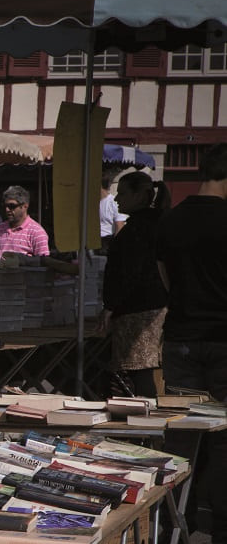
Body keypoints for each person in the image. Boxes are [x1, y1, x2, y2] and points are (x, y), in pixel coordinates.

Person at [156, 142, 227, 544]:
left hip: (181, 335)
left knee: (182, 440)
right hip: (223, 338)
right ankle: (223, 538)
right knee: (223, 443)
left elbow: (166, 280)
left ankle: (170, 530)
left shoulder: (172, 220)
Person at [100, 171, 169, 398]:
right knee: (143, 372)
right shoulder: (153, 224)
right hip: (148, 306)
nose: (117, 199)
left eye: (122, 193)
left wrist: (111, 305)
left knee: (140, 372)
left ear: (140, 195)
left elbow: (130, 272)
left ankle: (145, 424)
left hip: (139, 309)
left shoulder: (141, 228)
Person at [0, 185, 51, 258]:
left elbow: (43, 263)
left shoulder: (37, 232)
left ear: (25, 206)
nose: (7, 210)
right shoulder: (0, 228)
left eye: (11, 206)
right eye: (5, 206)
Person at [99, 170, 126, 253]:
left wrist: (115, 248)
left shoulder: (113, 202)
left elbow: (120, 226)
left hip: (106, 243)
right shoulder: (90, 202)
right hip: (92, 241)